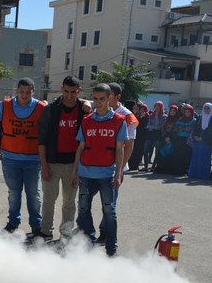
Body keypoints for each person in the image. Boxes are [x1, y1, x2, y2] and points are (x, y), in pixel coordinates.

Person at [71, 83, 128, 257]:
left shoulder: (119, 121)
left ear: (109, 98)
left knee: (109, 211)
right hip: (86, 173)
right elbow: (80, 147)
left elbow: (120, 149)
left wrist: (118, 173)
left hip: (106, 174)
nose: (98, 102)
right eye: (95, 99)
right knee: (83, 208)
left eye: (102, 99)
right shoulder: (87, 120)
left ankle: (112, 247)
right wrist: (74, 171)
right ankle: (89, 241)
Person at [0, 77, 46, 238]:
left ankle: (36, 226)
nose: (24, 95)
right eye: (21, 92)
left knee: (33, 193)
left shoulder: (41, 107)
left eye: (28, 92)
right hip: (10, 157)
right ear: (17, 91)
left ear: (33, 91)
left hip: (33, 159)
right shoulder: (5, 105)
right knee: (14, 192)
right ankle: (13, 222)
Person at [38, 75, 89, 239]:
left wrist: (89, 104)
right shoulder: (51, 109)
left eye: (73, 92)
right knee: (48, 199)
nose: (69, 95)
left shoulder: (84, 109)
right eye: (66, 91)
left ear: (78, 91)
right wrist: (44, 165)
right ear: (61, 89)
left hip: (74, 165)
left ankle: (66, 233)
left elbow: (99, 107)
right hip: (53, 162)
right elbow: (42, 139)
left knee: (69, 202)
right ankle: (46, 231)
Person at [95, 82, 137, 244]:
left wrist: (120, 169)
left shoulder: (127, 116)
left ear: (117, 97)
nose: (103, 99)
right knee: (85, 200)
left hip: (114, 167)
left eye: (108, 95)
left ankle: (105, 233)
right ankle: (84, 229)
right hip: (95, 165)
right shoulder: (98, 111)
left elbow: (130, 144)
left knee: (109, 203)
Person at [154, 104, 181, 174]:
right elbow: (162, 128)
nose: (172, 112)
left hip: (173, 139)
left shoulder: (178, 120)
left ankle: (169, 169)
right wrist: (165, 136)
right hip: (164, 138)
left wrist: (170, 138)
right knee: (162, 153)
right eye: (171, 111)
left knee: (171, 154)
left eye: (174, 111)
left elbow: (177, 130)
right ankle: (161, 168)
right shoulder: (166, 119)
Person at [188, 102, 212, 180]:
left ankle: (203, 175)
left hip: (207, 141)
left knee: (205, 158)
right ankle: (194, 173)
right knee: (196, 157)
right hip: (197, 141)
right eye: (205, 108)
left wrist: (203, 138)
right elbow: (195, 128)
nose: (206, 110)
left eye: (208, 108)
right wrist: (195, 136)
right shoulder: (199, 117)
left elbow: (210, 130)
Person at [143, 101, 166, 171]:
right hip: (150, 134)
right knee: (145, 150)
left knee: (157, 152)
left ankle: (153, 167)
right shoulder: (151, 115)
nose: (157, 107)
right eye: (156, 105)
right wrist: (153, 126)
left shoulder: (163, 116)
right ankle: (146, 166)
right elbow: (148, 126)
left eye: (159, 106)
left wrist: (156, 116)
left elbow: (159, 126)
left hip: (158, 135)